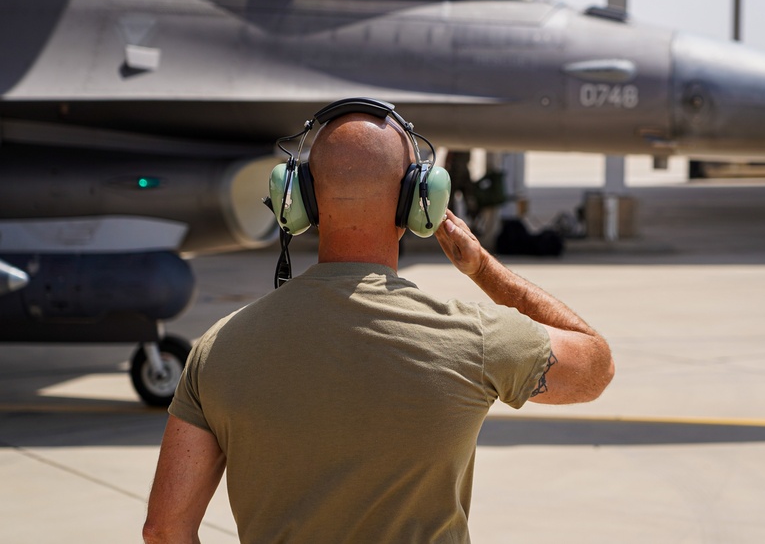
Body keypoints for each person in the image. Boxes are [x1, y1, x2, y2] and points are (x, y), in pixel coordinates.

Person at [143, 106, 615, 544]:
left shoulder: (218, 349)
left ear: (300, 200)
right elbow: (596, 367)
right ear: (419, 202)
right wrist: (483, 269)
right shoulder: (475, 337)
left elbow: (165, 531)